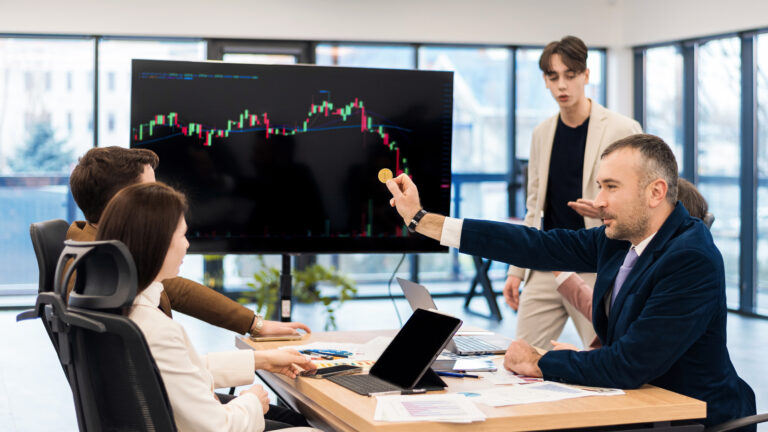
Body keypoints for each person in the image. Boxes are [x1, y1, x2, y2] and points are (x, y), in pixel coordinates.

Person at [385, 134, 755, 427]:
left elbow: (629, 365)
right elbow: (536, 245)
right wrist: (424, 220)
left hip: (689, 416)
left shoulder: (690, 258)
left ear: (656, 192)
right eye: (600, 186)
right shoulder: (619, 239)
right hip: (639, 404)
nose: (599, 201)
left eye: (611, 187)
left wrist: (540, 362)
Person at [96, 182, 318, 432]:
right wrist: (253, 401)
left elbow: (181, 371)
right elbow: (217, 428)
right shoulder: (154, 327)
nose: (187, 244)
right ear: (156, 242)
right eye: (182, 235)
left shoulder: (117, 308)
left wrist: (262, 359)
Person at [68, 146, 309, 337]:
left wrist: (254, 324)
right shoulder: (107, 278)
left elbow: (176, 288)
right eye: (150, 191)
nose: (160, 198)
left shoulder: (99, 250)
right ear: (122, 202)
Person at [503, 36, 642, 349]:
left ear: (586, 76)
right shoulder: (542, 133)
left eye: (570, 75)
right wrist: (516, 270)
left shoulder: (621, 129)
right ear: (545, 81)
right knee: (518, 357)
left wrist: (606, 209)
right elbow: (533, 206)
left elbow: (640, 200)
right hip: (546, 264)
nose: (561, 86)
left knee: (606, 357)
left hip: (595, 265)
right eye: (553, 77)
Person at [550, 178, 709, 351]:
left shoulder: (681, 268)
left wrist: (575, 358)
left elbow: (637, 357)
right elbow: (612, 313)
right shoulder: (639, 256)